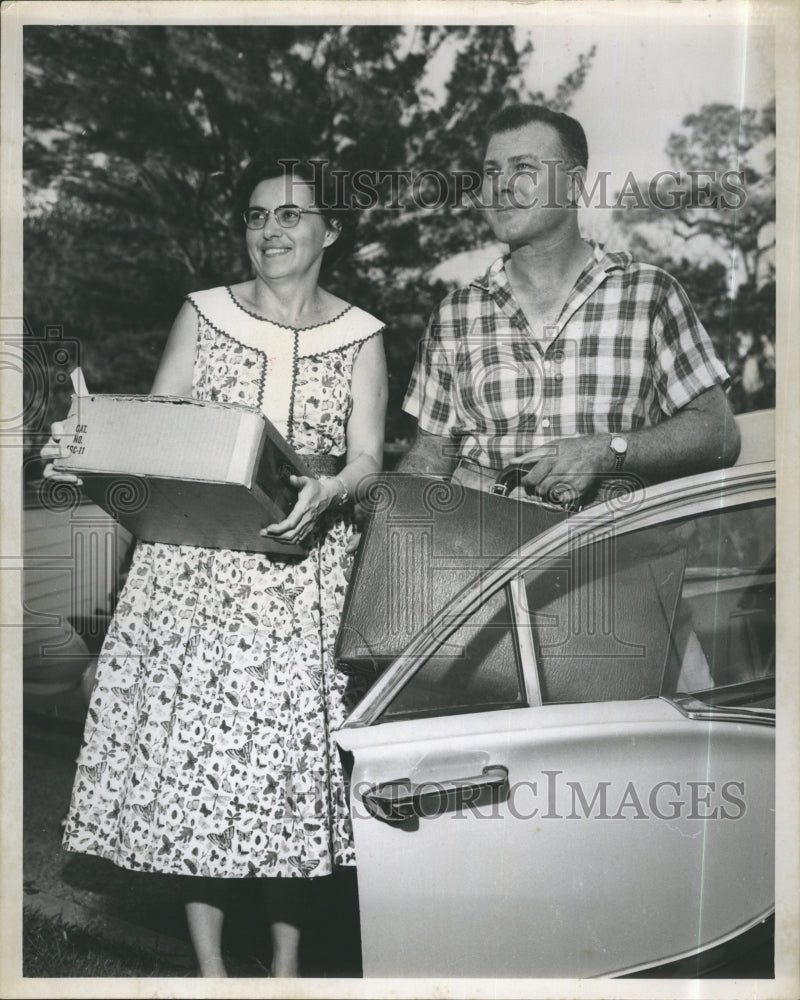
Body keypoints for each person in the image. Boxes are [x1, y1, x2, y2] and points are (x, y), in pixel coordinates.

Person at [44, 156, 388, 978]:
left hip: (299, 571)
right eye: (256, 216)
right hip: (192, 567)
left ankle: (286, 972)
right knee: (195, 766)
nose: (269, 231)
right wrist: (86, 445)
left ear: (331, 231)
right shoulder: (203, 312)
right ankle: (211, 974)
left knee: (283, 773)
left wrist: (332, 489)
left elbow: (370, 458)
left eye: (290, 215)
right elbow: (157, 430)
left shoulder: (363, 334)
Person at [400, 103, 740, 499]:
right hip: (485, 538)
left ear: (574, 185)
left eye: (523, 169)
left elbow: (718, 434)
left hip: (616, 537)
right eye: (491, 172)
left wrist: (607, 451)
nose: (501, 185)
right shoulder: (454, 314)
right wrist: (385, 515)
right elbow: (430, 458)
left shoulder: (650, 294)